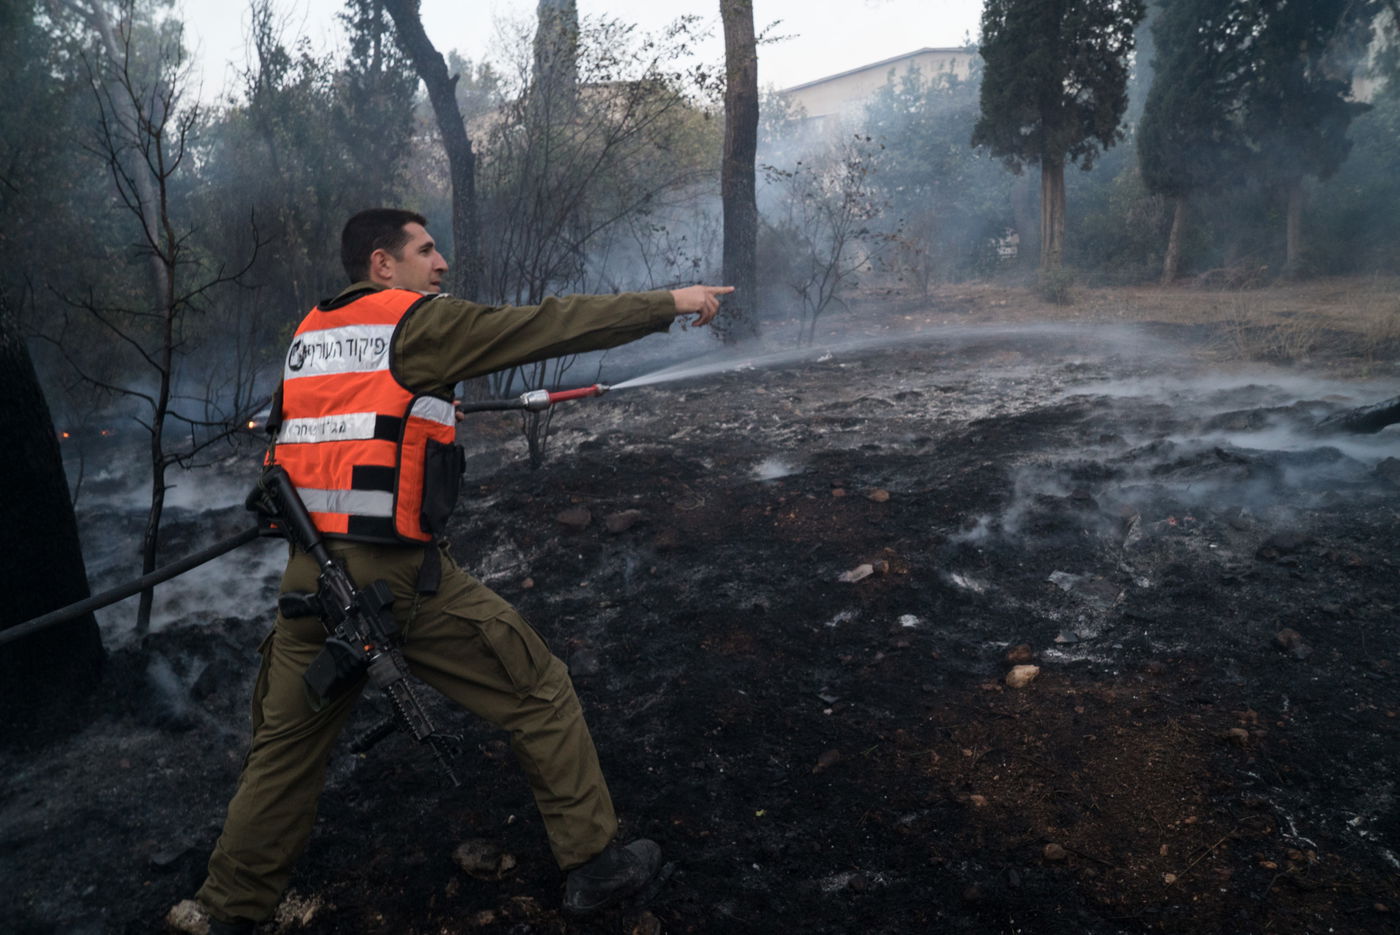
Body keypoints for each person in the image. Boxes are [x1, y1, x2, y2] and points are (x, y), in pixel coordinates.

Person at [194, 208, 732, 934]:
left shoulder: (309, 336)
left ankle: (224, 912)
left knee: (281, 758)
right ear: (383, 264)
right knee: (539, 688)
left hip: (307, 586)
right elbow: (550, 325)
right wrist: (672, 301)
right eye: (425, 249)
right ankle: (595, 865)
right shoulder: (417, 323)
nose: (441, 262)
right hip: (399, 586)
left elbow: (316, 442)